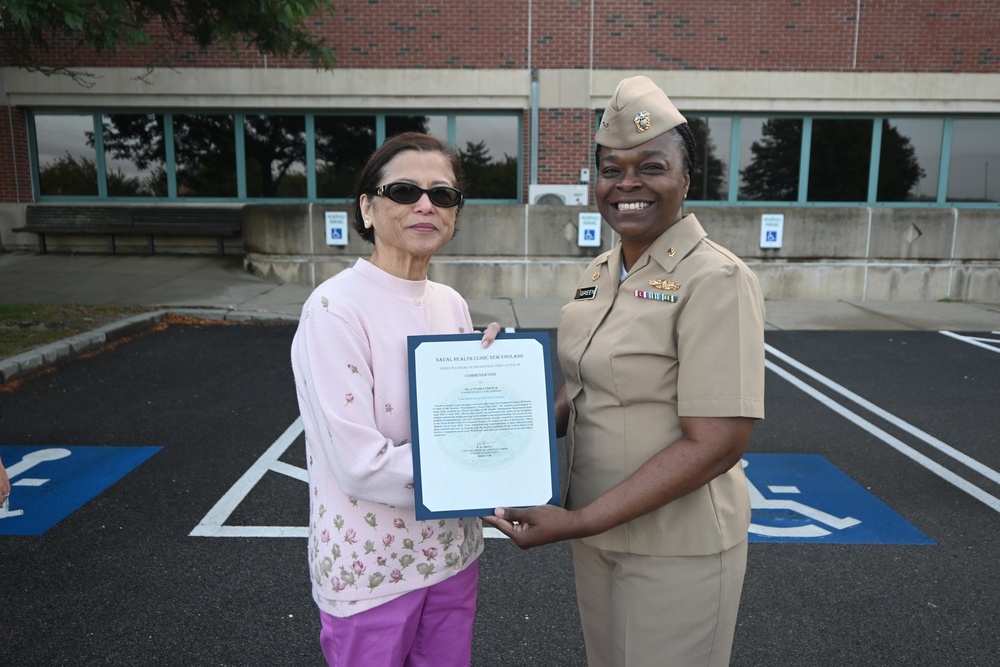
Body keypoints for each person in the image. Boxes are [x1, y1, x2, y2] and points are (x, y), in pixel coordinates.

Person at [483, 76, 766, 667]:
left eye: (651, 166)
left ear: (686, 179)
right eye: (612, 169)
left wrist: (577, 519)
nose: (628, 183)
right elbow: (585, 387)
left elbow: (718, 443)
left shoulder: (715, 279)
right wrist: (504, 427)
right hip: (595, 534)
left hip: (675, 547)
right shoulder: (599, 273)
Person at [291, 132, 500, 667]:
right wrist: (486, 479)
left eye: (444, 194)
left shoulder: (450, 303)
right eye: (404, 190)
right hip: (373, 571)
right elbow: (361, 467)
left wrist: (496, 375)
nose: (426, 204)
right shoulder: (335, 309)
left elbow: (455, 422)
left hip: (453, 556)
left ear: (455, 213)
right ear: (367, 207)